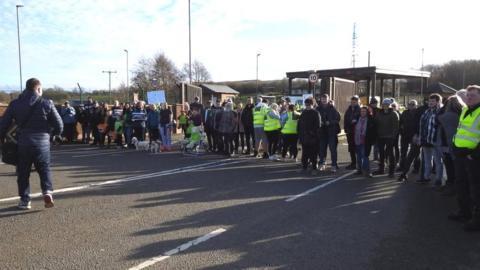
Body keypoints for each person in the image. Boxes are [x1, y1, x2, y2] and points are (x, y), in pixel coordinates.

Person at [0, 78, 63, 209]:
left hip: (23, 143)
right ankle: (47, 192)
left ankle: (25, 200)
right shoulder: (47, 103)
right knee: (44, 169)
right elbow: (59, 125)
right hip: (43, 144)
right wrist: (53, 135)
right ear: (38, 89)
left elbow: (3, 124)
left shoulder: (15, 104)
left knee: (23, 172)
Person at [449, 85, 480, 231]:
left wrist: (473, 154)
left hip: (474, 158)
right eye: (467, 95)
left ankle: (477, 220)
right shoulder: (465, 110)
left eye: (472, 95)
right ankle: (464, 212)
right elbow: (461, 130)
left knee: (476, 188)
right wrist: (455, 146)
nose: (469, 97)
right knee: (461, 184)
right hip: (461, 155)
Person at [437, 95, 465, 195]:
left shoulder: (446, 116)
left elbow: (437, 118)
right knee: (457, 168)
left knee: (449, 167)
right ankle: (456, 188)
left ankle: (450, 186)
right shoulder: (463, 114)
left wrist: (443, 107)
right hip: (459, 144)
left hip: (446, 144)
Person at [418, 94, 443, 185]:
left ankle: (438, 180)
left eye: (433, 101)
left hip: (435, 141)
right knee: (427, 161)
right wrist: (420, 138)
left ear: (438, 101)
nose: (431, 102)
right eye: (430, 101)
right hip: (425, 140)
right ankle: (426, 177)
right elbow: (422, 125)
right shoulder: (427, 111)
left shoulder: (440, 112)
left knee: (437, 161)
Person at [374, 98, 400, 178]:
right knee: (381, 154)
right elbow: (376, 124)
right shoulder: (379, 113)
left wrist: (393, 136)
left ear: (389, 105)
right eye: (384, 104)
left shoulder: (394, 114)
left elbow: (396, 127)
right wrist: (376, 134)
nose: (385, 106)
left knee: (390, 154)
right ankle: (381, 169)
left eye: (387, 105)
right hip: (380, 136)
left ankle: (391, 171)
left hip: (390, 137)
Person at [297, 97, 322, 176]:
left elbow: (318, 125)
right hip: (304, 137)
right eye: (306, 104)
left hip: (313, 138)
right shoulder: (303, 113)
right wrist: (299, 134)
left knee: (313, 154)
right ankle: (304, 167)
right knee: (305, 153)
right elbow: (299, 124)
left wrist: (312, 133)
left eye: (309, 104)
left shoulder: (316, 113)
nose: (307, 106)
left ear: (312, 104)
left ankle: (314, 168)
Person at [317, 94, 341, 173]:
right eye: (322, 99)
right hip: (322, 132)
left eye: (325, 99)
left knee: (333, 149)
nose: (324, 100)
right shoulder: (318, 108)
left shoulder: (332, 108)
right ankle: (322, 163)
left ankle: (334, 165)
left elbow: (338, 118)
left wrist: (330, 122)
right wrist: (320, 123)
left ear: (328, 99)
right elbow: (315, 119)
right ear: (321, 99)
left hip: (331, 132)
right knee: (322, 149)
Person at [399, 100, 420, 173]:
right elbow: (400, 123)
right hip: (405, 135)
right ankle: (402, 166)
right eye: (410, 104)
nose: (411, 105)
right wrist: (401, 132)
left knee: (416, 152)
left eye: (413, 104)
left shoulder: (418, 113)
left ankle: (416, 168)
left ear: (416, 105)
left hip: (414, 135)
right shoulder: (405, 112)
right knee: (403, 152)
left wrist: (417, 134)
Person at [354, 106, 376, 177]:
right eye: (361, 111)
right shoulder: (357, 118)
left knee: (365, 156)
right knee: (359, 156)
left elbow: (373, 131)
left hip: (366, 141)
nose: (362, 113)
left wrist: (372, 140)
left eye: (364, 111)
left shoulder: (370, 120)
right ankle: (359, 170)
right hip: (357, 140)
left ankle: (367, 171)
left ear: (367, 112)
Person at [344, 95, 361, 170]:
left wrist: (356, 121)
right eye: (352, 101)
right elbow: (345, 119)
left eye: (355, 101)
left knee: (358, 148)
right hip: (349, 132)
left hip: (357, 132)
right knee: (351, 148)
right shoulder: (348, 109)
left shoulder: (360, 110)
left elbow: (361, 120)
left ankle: (359, 164)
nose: (353, 103)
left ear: (357, 102)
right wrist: (346, 129)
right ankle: (353, 163)